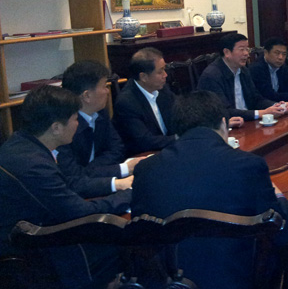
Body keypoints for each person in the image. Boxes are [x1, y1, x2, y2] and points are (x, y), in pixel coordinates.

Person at [131, 90, 288, 288]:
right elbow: (280, 229)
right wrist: (278, 193)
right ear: (224, 124)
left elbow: (140, 236)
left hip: (168, 283)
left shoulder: (146, 169)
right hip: (237, 280)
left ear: (177, 132)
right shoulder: (248, 165)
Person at [0, 85, 131, 288]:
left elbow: (70, 184)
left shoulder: (21, 144)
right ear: (56, 128)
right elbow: (79, 213)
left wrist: (117, 187)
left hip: (36, 234)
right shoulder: (34, 166)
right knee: (130, 240)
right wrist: (129, 194)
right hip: (32, 253)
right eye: (75, 119)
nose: (78, 124)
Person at [57, 60, 143, 198]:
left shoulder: (100, 112)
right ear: (87, 96)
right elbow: (72, 177)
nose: (108, 91)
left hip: (96, 184)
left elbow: (117, 148)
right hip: (77, 195)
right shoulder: (63, 127)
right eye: (104, 86)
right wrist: (123, 168)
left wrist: (89, 170)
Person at [197, 33, 288, 121]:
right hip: (228, 126)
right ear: (227, 52)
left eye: (247, 49)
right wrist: (260, 113)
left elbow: (256, 99)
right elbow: (223, 111)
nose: (246, 53)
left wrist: (276, 106)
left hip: (247, 121)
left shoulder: (243, 71)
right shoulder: (212, 76)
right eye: (242, 49)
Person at [112, 47, 177, 155]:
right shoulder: (126, 102)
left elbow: (179, 114)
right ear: (143, 77)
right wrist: (177, 138)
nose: (165, 75)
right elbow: (144, 141)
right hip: (142, 155)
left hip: (166, 150)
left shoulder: (162, 90)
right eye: (160, 71)